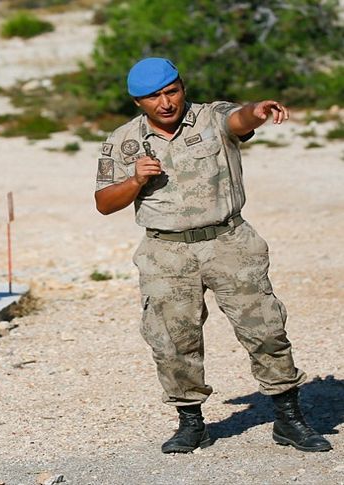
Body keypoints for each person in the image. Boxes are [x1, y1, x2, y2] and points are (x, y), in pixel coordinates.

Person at [94, 57, 332, 454]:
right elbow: (103, 203)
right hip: (165, 252)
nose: (165, 102)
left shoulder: (210, 117)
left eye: (172, 91)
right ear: (138, 102)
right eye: (153, 97)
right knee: (172, 340)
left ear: (183, 87)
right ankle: (191, 424)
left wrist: (257, 112)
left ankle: (290, 420)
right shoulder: (121, 142)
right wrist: (135, 180)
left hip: (229, 242)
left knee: (265, 330)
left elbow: (238, 120)